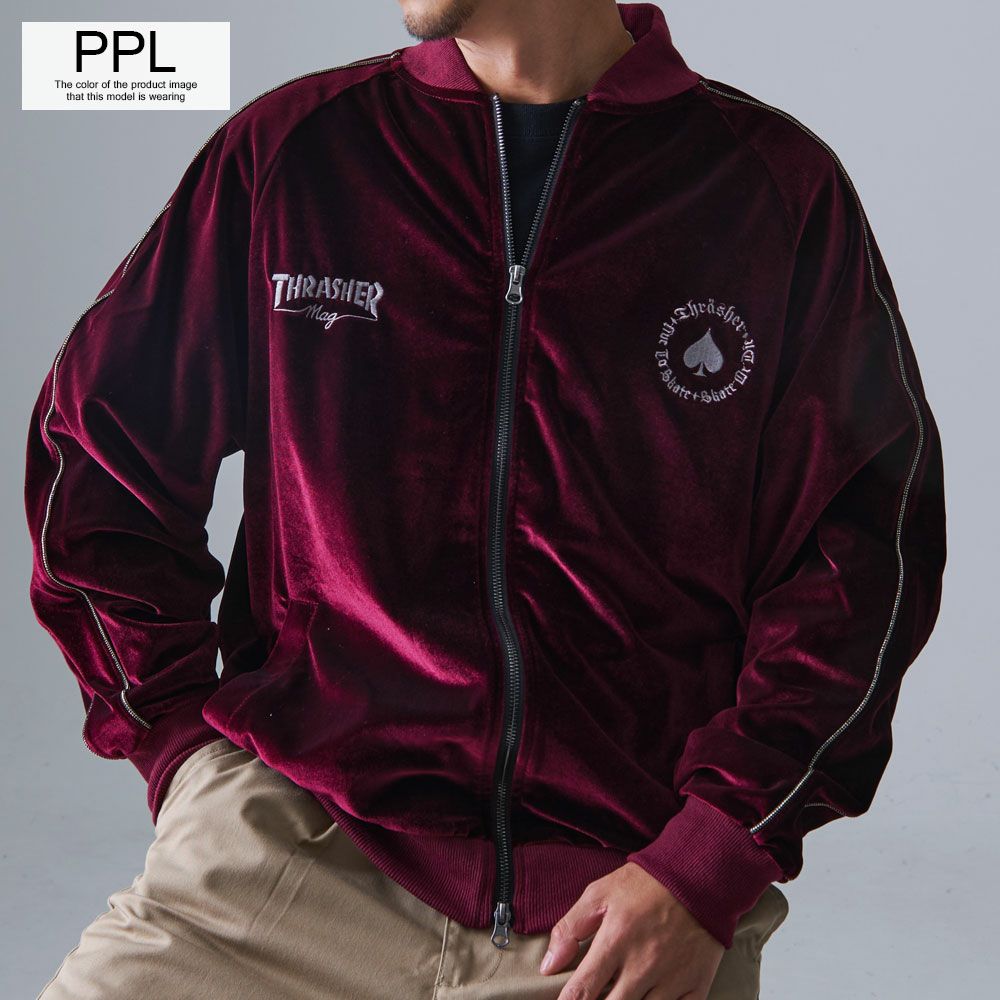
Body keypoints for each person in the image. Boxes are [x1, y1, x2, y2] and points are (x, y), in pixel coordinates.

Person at [24, 1, 946, 998]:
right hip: (288, 860)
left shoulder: (771, 189)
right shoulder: (295, 157)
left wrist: (710, 857)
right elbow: (100, 452)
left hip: (619, 909)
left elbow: (863, 558)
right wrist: (177, 745)